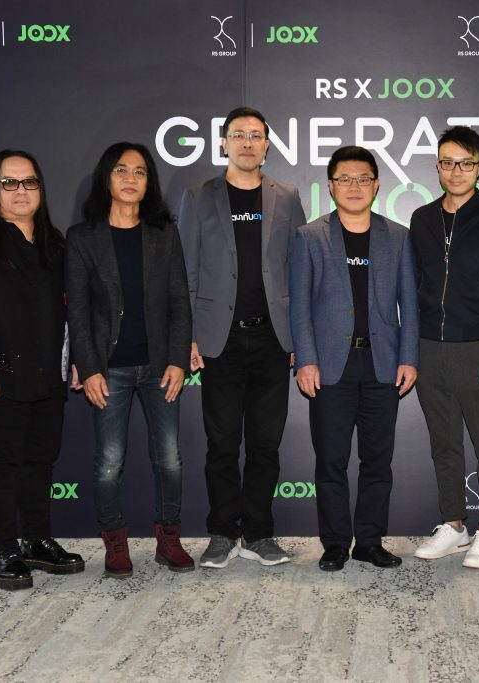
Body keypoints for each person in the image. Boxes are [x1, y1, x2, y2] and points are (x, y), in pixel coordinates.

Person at [0, 149, 84, 590]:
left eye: (30, 182)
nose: (21, 191)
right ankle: (5, 549)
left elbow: (70, 311)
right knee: (3, 466)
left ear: (40, 188)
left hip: (49, 375)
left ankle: (37, 540)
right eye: (10, 182)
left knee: (41, 461)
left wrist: (76, 359)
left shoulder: (54, 243)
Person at [179, 106, 305, 569]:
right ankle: (221, 533)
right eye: (238, 135)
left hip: (273, 338)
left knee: (266, 445)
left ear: (267, 145)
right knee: (222, 444)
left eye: (255, 135)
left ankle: (258, 534)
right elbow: (187, 270)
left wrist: (299, 337)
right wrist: (189, 335)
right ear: (223, 143)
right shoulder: (198, 196)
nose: (247, 142)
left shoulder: (287, 197)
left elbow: (298, 269)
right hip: (219, 339)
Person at [66, 142, 193, 576]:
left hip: (160, 368)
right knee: (108, 463)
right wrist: (89, 366)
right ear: (107, 177)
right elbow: (78, 311)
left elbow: (179, 302)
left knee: (170, 460)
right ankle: (115, 544)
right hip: (109, 369)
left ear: (148, 182)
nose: (130, 178)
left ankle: (168, 541)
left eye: (139, 172)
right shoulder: (83, 237)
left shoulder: (163, 234)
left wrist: (178, 359)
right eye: (121, 170)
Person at [289, 146, 419, 571]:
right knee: (330, 461)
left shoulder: (398, 236)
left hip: (383, 363)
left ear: (376, 185)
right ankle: (334, 543)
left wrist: (409, 357)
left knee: (377, 460)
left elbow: (409, 304)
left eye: (363, 178)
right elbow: (299, 306)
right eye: (345, 179)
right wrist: (306, 359)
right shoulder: (310, 236)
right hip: (330, 366)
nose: (354, 186)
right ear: (331, 186)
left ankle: (369, 541)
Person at [409, 126, 479, 569]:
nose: (456, 171)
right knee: (444, 442)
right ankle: (453, 525)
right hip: (429, 346)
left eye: (465, 163)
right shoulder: (422, 219)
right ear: (437, 166)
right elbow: (414, 284)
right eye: (447, 162)